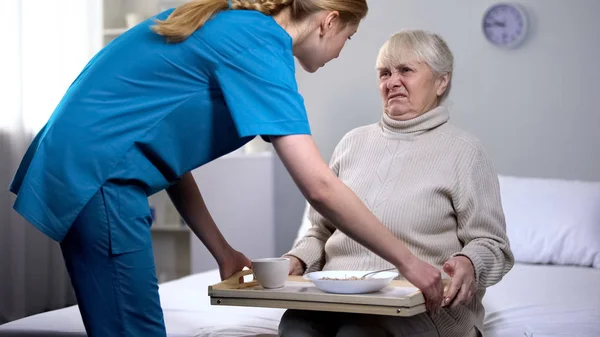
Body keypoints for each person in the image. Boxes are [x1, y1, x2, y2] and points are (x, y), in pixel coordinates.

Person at [8, 1, 450, 336]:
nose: (339, 52)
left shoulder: (233, 27)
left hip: (86, 169)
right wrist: (411, 264)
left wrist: (223, 251)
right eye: (348, 38)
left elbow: (169, 161)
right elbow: (319, 186)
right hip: (99, 178)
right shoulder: (260, 43)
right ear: (329, 20)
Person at [280, 29, 515, 337]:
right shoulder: (352, 143)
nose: (392, 82)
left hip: (422, 307)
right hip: (337, 298)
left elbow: (493, 245)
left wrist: (470, 262)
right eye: (384, 73)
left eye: (406, 70)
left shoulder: (465, 152)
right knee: (295, 325)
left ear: (442, 81)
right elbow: (320, 231)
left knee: (357, 333)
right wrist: (296, 259)